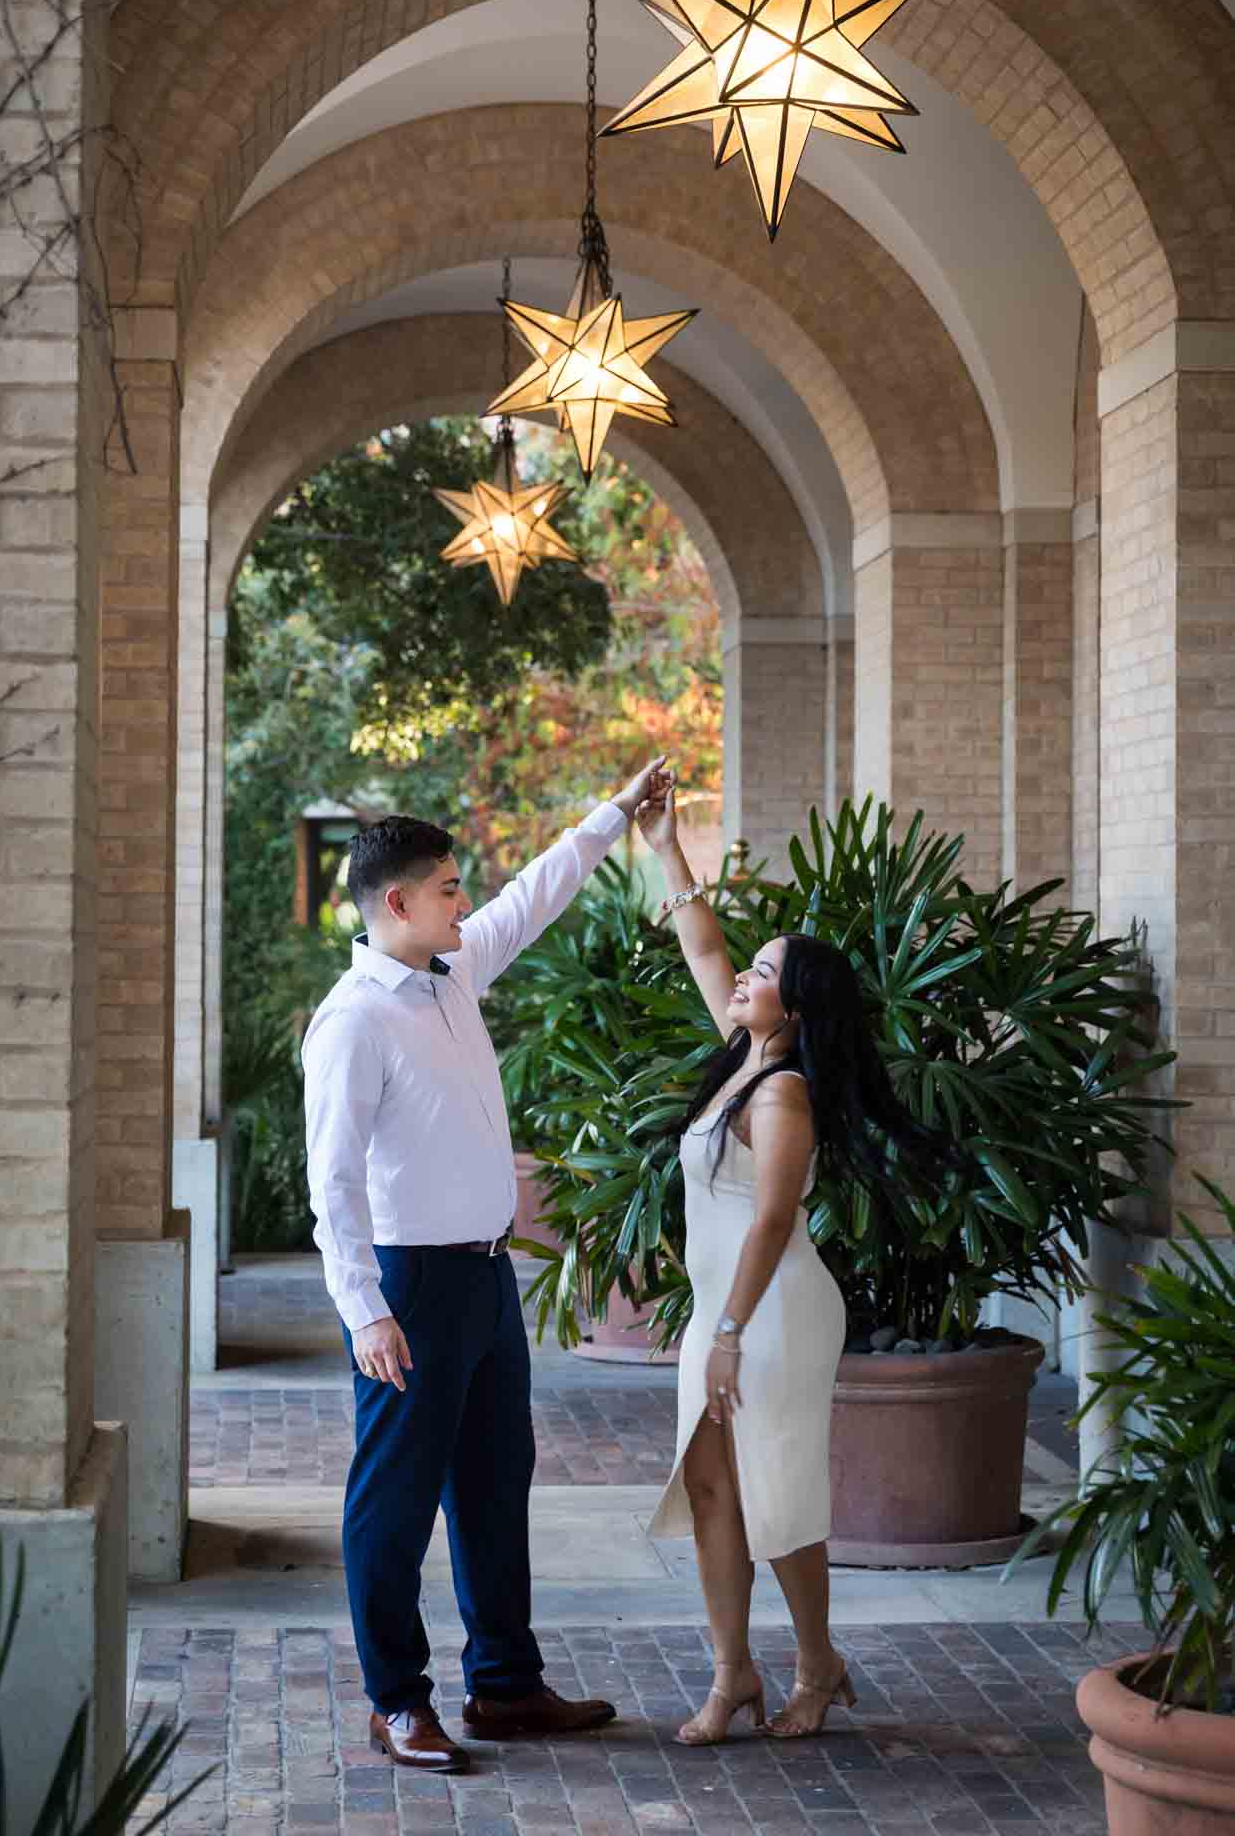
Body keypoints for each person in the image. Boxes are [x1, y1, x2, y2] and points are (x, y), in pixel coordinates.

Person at [302, 759, 668, 1773]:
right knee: (396, 1494)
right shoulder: (352, 1019)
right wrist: (364, 1309)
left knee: (497, 1479)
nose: (468, 899)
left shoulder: (454, 970)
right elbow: (329, 1183)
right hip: (406, 1287)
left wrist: (613, 812)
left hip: (485, 1277)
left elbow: (536, 893)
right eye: (451, 886)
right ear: (399, 901)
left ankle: (504, 1685)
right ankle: (396, 1699)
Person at [636, 778, 952, 1745]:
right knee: (708, 1485)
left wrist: (728, 1333)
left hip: (768, 1312)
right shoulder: (742, 1053)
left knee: (776, 1491)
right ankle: (733, 1675)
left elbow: (772, 1219)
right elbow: (702, 945)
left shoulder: (780, 1094)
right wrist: (664, 845)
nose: (740, 976)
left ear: (798, 1005)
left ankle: (818, 1666)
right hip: (726, 1310)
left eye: (762, 970)